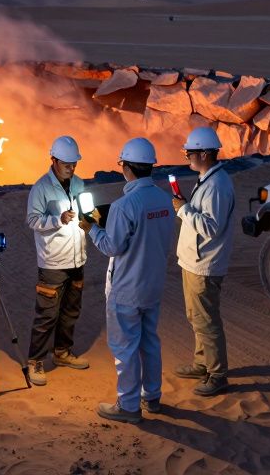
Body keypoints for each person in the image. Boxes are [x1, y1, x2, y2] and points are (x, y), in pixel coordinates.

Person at [80, 137, 177, 423]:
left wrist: (91, 229)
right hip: (152, 285)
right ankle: (153, 396)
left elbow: (112, 247)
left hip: (127, 289)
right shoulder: (163, 199)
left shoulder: (125, 205)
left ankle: (128, 406)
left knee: (125, 348)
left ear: (128, 167)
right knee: (149, 342)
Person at [172, 126, 237, 396]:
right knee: (196, 317)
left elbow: (211, 227)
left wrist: (184, 209)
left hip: (205, 265)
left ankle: (217, 374)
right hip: (193, 261)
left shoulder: (218, 186)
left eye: (190, 152)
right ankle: (203, 363)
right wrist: (186, 207)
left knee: (206, 320)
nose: (187, 156)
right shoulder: (207, 179)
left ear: (205, 153)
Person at [24, 135, 91, 386]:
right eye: (66, 163)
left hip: (77, 260)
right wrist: (57, 219)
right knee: (47, 315)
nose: (71, 167)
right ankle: (36, 361)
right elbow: (32, 221)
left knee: (71, 311)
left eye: (74, 163)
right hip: (53, 263)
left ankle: (62, 353)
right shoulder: (41, 188)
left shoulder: (80, 184)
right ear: (53, 160)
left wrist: (92, 219)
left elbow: (85, 213)